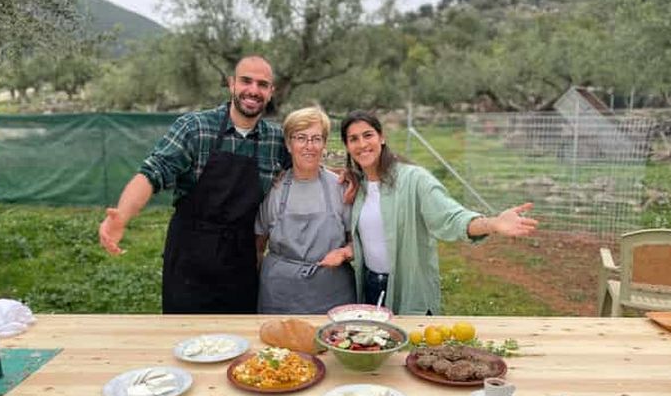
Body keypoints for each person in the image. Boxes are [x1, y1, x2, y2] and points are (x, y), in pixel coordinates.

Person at [98, 55, 287, 314]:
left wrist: (345, 178)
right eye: (246, 81)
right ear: (231, 84)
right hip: (190, 258)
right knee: (184, 340)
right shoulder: (196, 127)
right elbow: (154, 172)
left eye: (262, 84)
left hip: (241, 260)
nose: (253, 90)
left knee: (240, 343)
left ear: (270, 91)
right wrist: (122, 216)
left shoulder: (275, 139)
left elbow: (305, 170)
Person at [340, 110, 538, 315]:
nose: (362, 144)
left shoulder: (415, 180)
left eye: (368, 135)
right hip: (370, 286)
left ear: (381, 138)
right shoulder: (358, 187)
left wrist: (493, 224)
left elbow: (451, 217)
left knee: (413, 344)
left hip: (408, 288)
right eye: (353, 139)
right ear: (347, 146)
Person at [255, 107, 356, 314]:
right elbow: (258, 246)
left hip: (332, 294)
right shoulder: (274, 189)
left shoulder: (341, 187)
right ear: (288, 144)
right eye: (301, 138)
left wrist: (346, 252)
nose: (309, 146)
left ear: (324, 144)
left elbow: (359, 241)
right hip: (279, 295)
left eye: (316, 138)